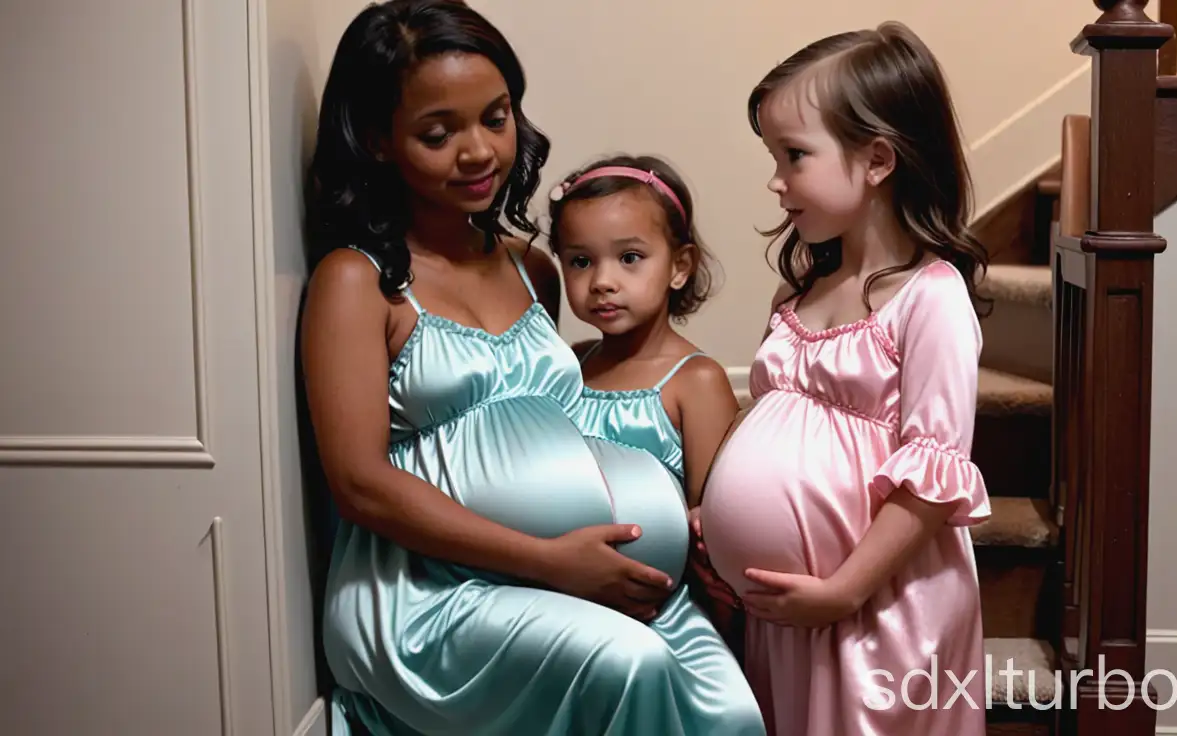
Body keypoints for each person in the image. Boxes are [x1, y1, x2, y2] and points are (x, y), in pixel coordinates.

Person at [299, 2, 764, 733]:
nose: (479, 151)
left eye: (495, 116)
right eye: (437, 132)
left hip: (569, 573)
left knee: (732, 708)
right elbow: (361, 485)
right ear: (380, 141)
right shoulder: (357, 281)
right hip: (426, 594)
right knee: (629, 663)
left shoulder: (532, 269)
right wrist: (549, 560)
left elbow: (553, 431)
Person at [696, 23, 993, 735]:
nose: (776, 180)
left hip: (875, 606)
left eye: (793, 156)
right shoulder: (799, 296)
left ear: (877, 160)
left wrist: (842, 590)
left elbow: (932, 479)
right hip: (791, 610)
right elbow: (772, 424)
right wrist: (719, 511)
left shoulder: (932, 298)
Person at [545, 154, 755, 660]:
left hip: (654, 607)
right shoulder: (569, 365)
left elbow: (711, 526)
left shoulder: (695, 381)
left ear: (679, 267)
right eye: (580, 261)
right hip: (564, 591)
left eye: (630, 258)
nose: (603, 281)